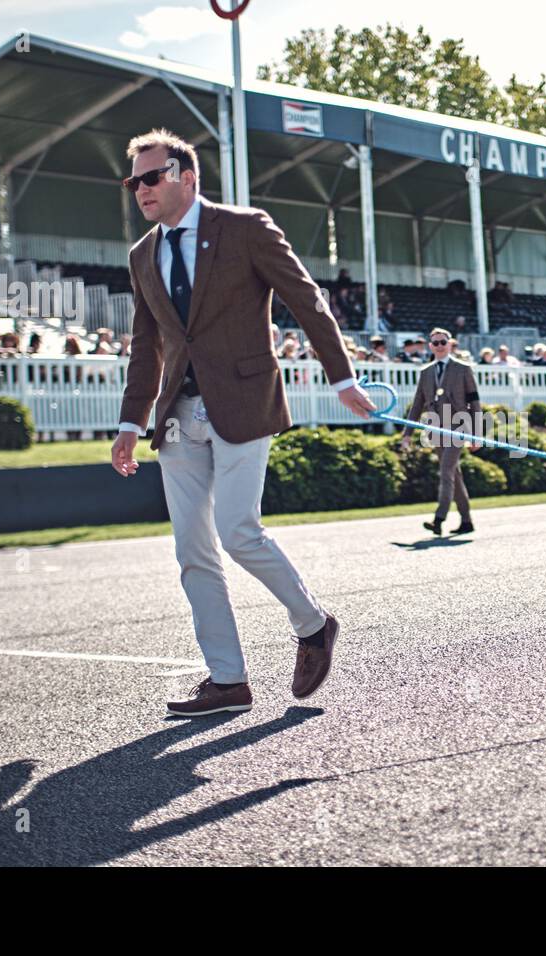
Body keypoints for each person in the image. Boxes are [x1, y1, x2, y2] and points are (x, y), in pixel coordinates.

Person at [110, 127, 374, 717]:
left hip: (245, 401)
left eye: (153, 177)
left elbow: (307, 300)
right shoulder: (142, 254)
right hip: (176, 416)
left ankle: (312, 624)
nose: (142, 190)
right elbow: (146, 341)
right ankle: (227, 680)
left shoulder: (246, 227)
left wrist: (341, 378)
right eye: (135, 181)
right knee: (192, 551)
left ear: (187, 176)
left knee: (238, 531)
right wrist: (131, 421)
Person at [399, 327, 479, 537]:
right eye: (435, 343)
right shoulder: (426, 372)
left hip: (458, 427)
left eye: (443, 342)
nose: (440, 346)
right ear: (430, 346)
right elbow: (417, 404)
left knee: (445, 472)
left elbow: (474, 402)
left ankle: (439, 519)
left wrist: (476, 432)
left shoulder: (463, 369)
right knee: (454, 475)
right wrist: (407, 433)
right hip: (435, 429)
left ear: (450, 343)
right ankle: (467, 521)